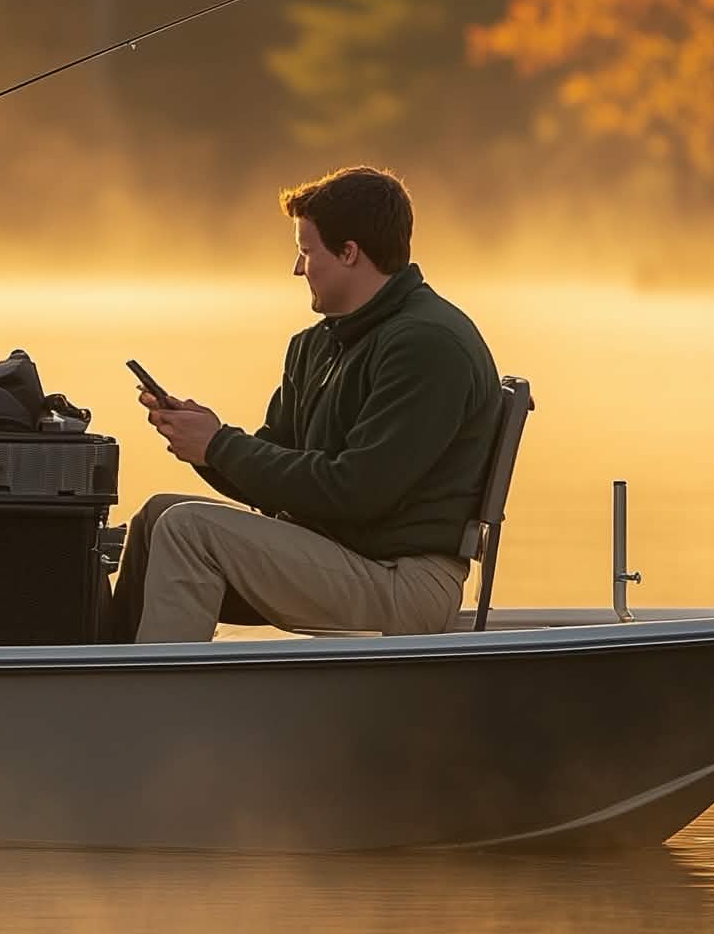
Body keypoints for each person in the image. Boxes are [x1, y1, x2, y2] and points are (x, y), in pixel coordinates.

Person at [110, 167, 501, 644]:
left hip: (404, 579)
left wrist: (219, 446)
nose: (298, 269)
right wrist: (204, 440)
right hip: (337, 553)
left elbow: (357, 492)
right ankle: (95, 681)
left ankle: (151, 706)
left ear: (349, 252)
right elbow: (277, 474)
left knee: (187, 530)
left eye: (306, 251)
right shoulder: (319, 344)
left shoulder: (427, 344)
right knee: (157, 517)